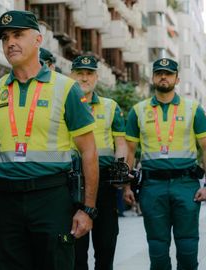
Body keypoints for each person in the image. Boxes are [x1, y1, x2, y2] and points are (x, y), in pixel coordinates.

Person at [0, 10, 99, 270]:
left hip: (52, 198)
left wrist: (88, 209)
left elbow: (89, 152)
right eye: (5, 38)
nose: (10, 43)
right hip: (6, 200)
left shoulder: (66, 88)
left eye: (18, 35)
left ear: (38, 40)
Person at [123, 58, 206, 270]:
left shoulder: (193, 109)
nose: (163, 77)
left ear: (177, 78)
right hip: (152, 187)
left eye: (168, 74)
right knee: (157, 250)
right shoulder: (138, 111)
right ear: (152, 77)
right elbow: (129, 151)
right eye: (159, 73)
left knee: (188, 248)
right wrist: (126, 186)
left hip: (186, 185)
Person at [69, 55, 127, 270]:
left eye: (89, 73)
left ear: (96, 77)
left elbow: (120, 143)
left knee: (106, 246)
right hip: (72, 185)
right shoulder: (62, 106)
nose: (84, 78)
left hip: (104, 185)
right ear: (71, 75)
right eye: (79, 73)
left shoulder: (111, 106)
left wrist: (120, 168)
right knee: (76, 251)